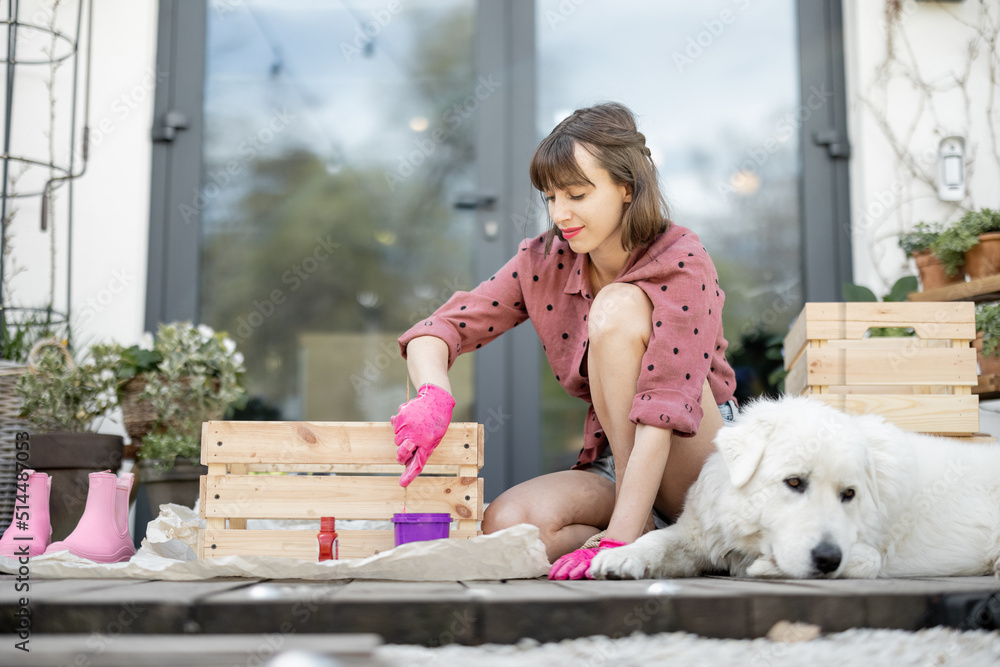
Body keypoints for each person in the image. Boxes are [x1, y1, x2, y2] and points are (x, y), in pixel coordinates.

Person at [390, 102, 738, 580]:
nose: (561, 213)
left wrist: (620, 535)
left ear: (626, 188)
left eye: (577, 194)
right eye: (551, 197)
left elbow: (664, 410)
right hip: (618, 459)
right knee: (507, 527)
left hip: (695, 460)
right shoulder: (545, 260)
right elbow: (442, 327)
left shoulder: (682, 259)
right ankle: (658, 543)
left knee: (616, 305)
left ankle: (635, 536)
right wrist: (434, 393)